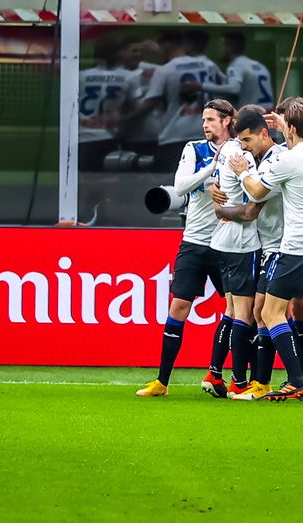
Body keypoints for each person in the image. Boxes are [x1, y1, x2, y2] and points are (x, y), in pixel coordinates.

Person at [229, 100, 303, 403]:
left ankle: (296, 379)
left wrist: (241, 172)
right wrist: (287, 123)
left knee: (270, 312)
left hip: (298, 246)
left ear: (289, 129)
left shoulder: (286, 160)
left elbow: (256, 192)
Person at [137, 100, 237, 398]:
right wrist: (211, 168)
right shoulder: (195, 149)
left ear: (227, 120)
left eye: (211, 120)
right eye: (203, 120)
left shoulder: (239, 152)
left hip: (227, 244)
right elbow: (180, 187)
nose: (205, 125)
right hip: (194, 242)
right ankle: (162, 381)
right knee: (179, 307)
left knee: (239, 309)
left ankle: (219, 375)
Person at [216, 106, 285, 401]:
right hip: (266, 245)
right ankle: (259, 382)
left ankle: (298, 378)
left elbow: (252, 205)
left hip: (281, 245)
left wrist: (223, 208)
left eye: (246, 141)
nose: (243, 148)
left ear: (264, 134)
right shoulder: (260, 158)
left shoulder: (275, 160)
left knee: (268, 312)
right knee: (258, 312)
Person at [208, 105, 263, 398]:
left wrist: (220, 206)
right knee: (245, 314)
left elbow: (217, 190)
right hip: (242, 243)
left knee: (230, 310)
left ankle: (214, 372)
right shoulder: (241, 156)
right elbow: (255, 196)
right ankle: (239, 382)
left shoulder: (224, 149)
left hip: (221, 242)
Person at [137, 31, 221, 170]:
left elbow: (150, 103)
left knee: (174, 184)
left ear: (166, 45)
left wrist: (124, 118)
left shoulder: (166, 70)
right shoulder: (209, 66)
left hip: (175, 136)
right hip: (205, 134)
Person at [78, 34, 132, 171]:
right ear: (117, 54)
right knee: (110, 181)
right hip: (110, 135)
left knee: (89, 181)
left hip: (84, 137)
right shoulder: (128, 76)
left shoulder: (81, 76)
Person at [203, 31, 275, 109]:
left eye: (222, 46)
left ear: (229, 47)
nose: (220, 50)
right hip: (268, 113)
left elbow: (234, 89)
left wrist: (201, 86)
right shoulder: (259, 65)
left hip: (251, 115)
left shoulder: (236, 66)